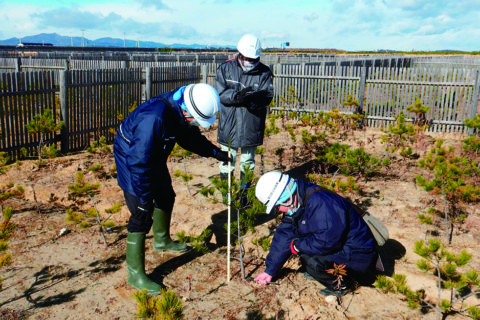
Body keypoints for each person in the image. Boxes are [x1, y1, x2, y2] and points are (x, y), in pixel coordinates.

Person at [114, 83, 231, 294]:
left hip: (152, 152)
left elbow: (188, 137)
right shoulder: (155, 119)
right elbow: (139, 161)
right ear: (188, 111)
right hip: (132, 156)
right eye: (197, 120)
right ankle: (135, 275)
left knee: (166, 196)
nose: (197, 124)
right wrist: (143, 199)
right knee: (142, 213)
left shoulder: (180, 110)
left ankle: (161, 240)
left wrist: (214, 152)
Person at [253, 171, 378, 297]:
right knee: (306, 253)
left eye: (276, 206)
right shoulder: (298, 203)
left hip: (359, 254)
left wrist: (297, 245)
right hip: (343, 246)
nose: (278, 210)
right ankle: (322, 272)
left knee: (310, 261)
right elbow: (284, 235)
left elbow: (327, 241)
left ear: (286, 196)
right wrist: (270, 271)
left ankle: (343, 285)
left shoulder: (321, 203)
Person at [215, 34, 274, 187]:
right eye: (246, 57)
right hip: (229, 124)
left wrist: (254, 101)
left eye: (252, 59)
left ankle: (244, 193)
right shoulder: (225, 68)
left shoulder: (264, 73)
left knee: (247, 161)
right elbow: (220, 93)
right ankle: (226, 191)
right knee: (228, 159)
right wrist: (237, 97)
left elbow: (267, 95)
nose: (249, 62)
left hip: (251, 123)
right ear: (240, 53)